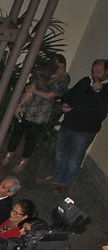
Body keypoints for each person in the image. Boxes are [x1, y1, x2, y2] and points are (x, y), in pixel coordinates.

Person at [46, 57, 108, 190]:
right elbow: (69, 95)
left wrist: (97, 91)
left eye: (99, 72)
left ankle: (65, 184)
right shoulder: (85, 82)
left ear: (106, 72)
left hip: (84, 131)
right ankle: (56, 177)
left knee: (74, 160)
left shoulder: (105, 90)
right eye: (94, 71)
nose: (95, 74)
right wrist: (64, 105)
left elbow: (102, 111)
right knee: (60, 153)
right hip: (68, 124)